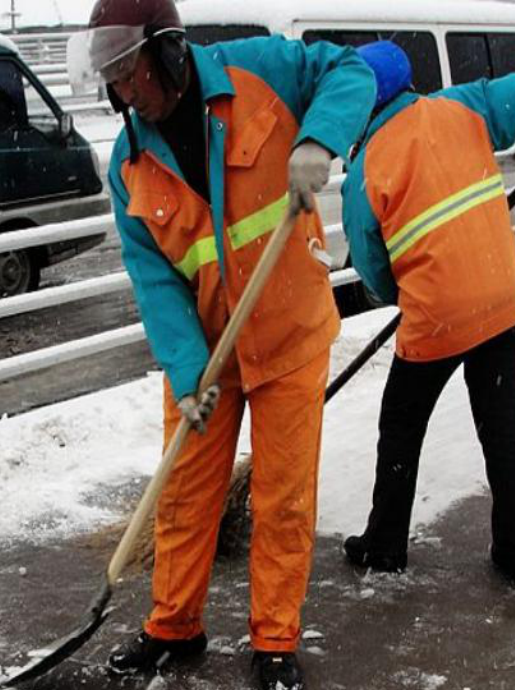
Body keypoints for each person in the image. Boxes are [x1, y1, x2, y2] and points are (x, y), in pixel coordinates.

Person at [67, 2, 376, 688]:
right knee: (185, 492)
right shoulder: (131, 164)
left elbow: (351, 70)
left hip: (290, 331)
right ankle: (174, 626)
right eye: (111, 79)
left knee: (281, 497)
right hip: (209, 351)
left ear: (170, 52)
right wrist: (185, 373)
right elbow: (155, 281)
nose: (122, 92)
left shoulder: (258, 71)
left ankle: (274, 641)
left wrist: (317, 140)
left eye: (129, 73)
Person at [339, 41, 515, 588]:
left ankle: (385, 547)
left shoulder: (365, 166)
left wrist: (400, 294)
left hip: (439, 319)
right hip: (503, 299)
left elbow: (372, 265)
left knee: (400, 424)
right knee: (503, 428)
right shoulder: (460, 105)